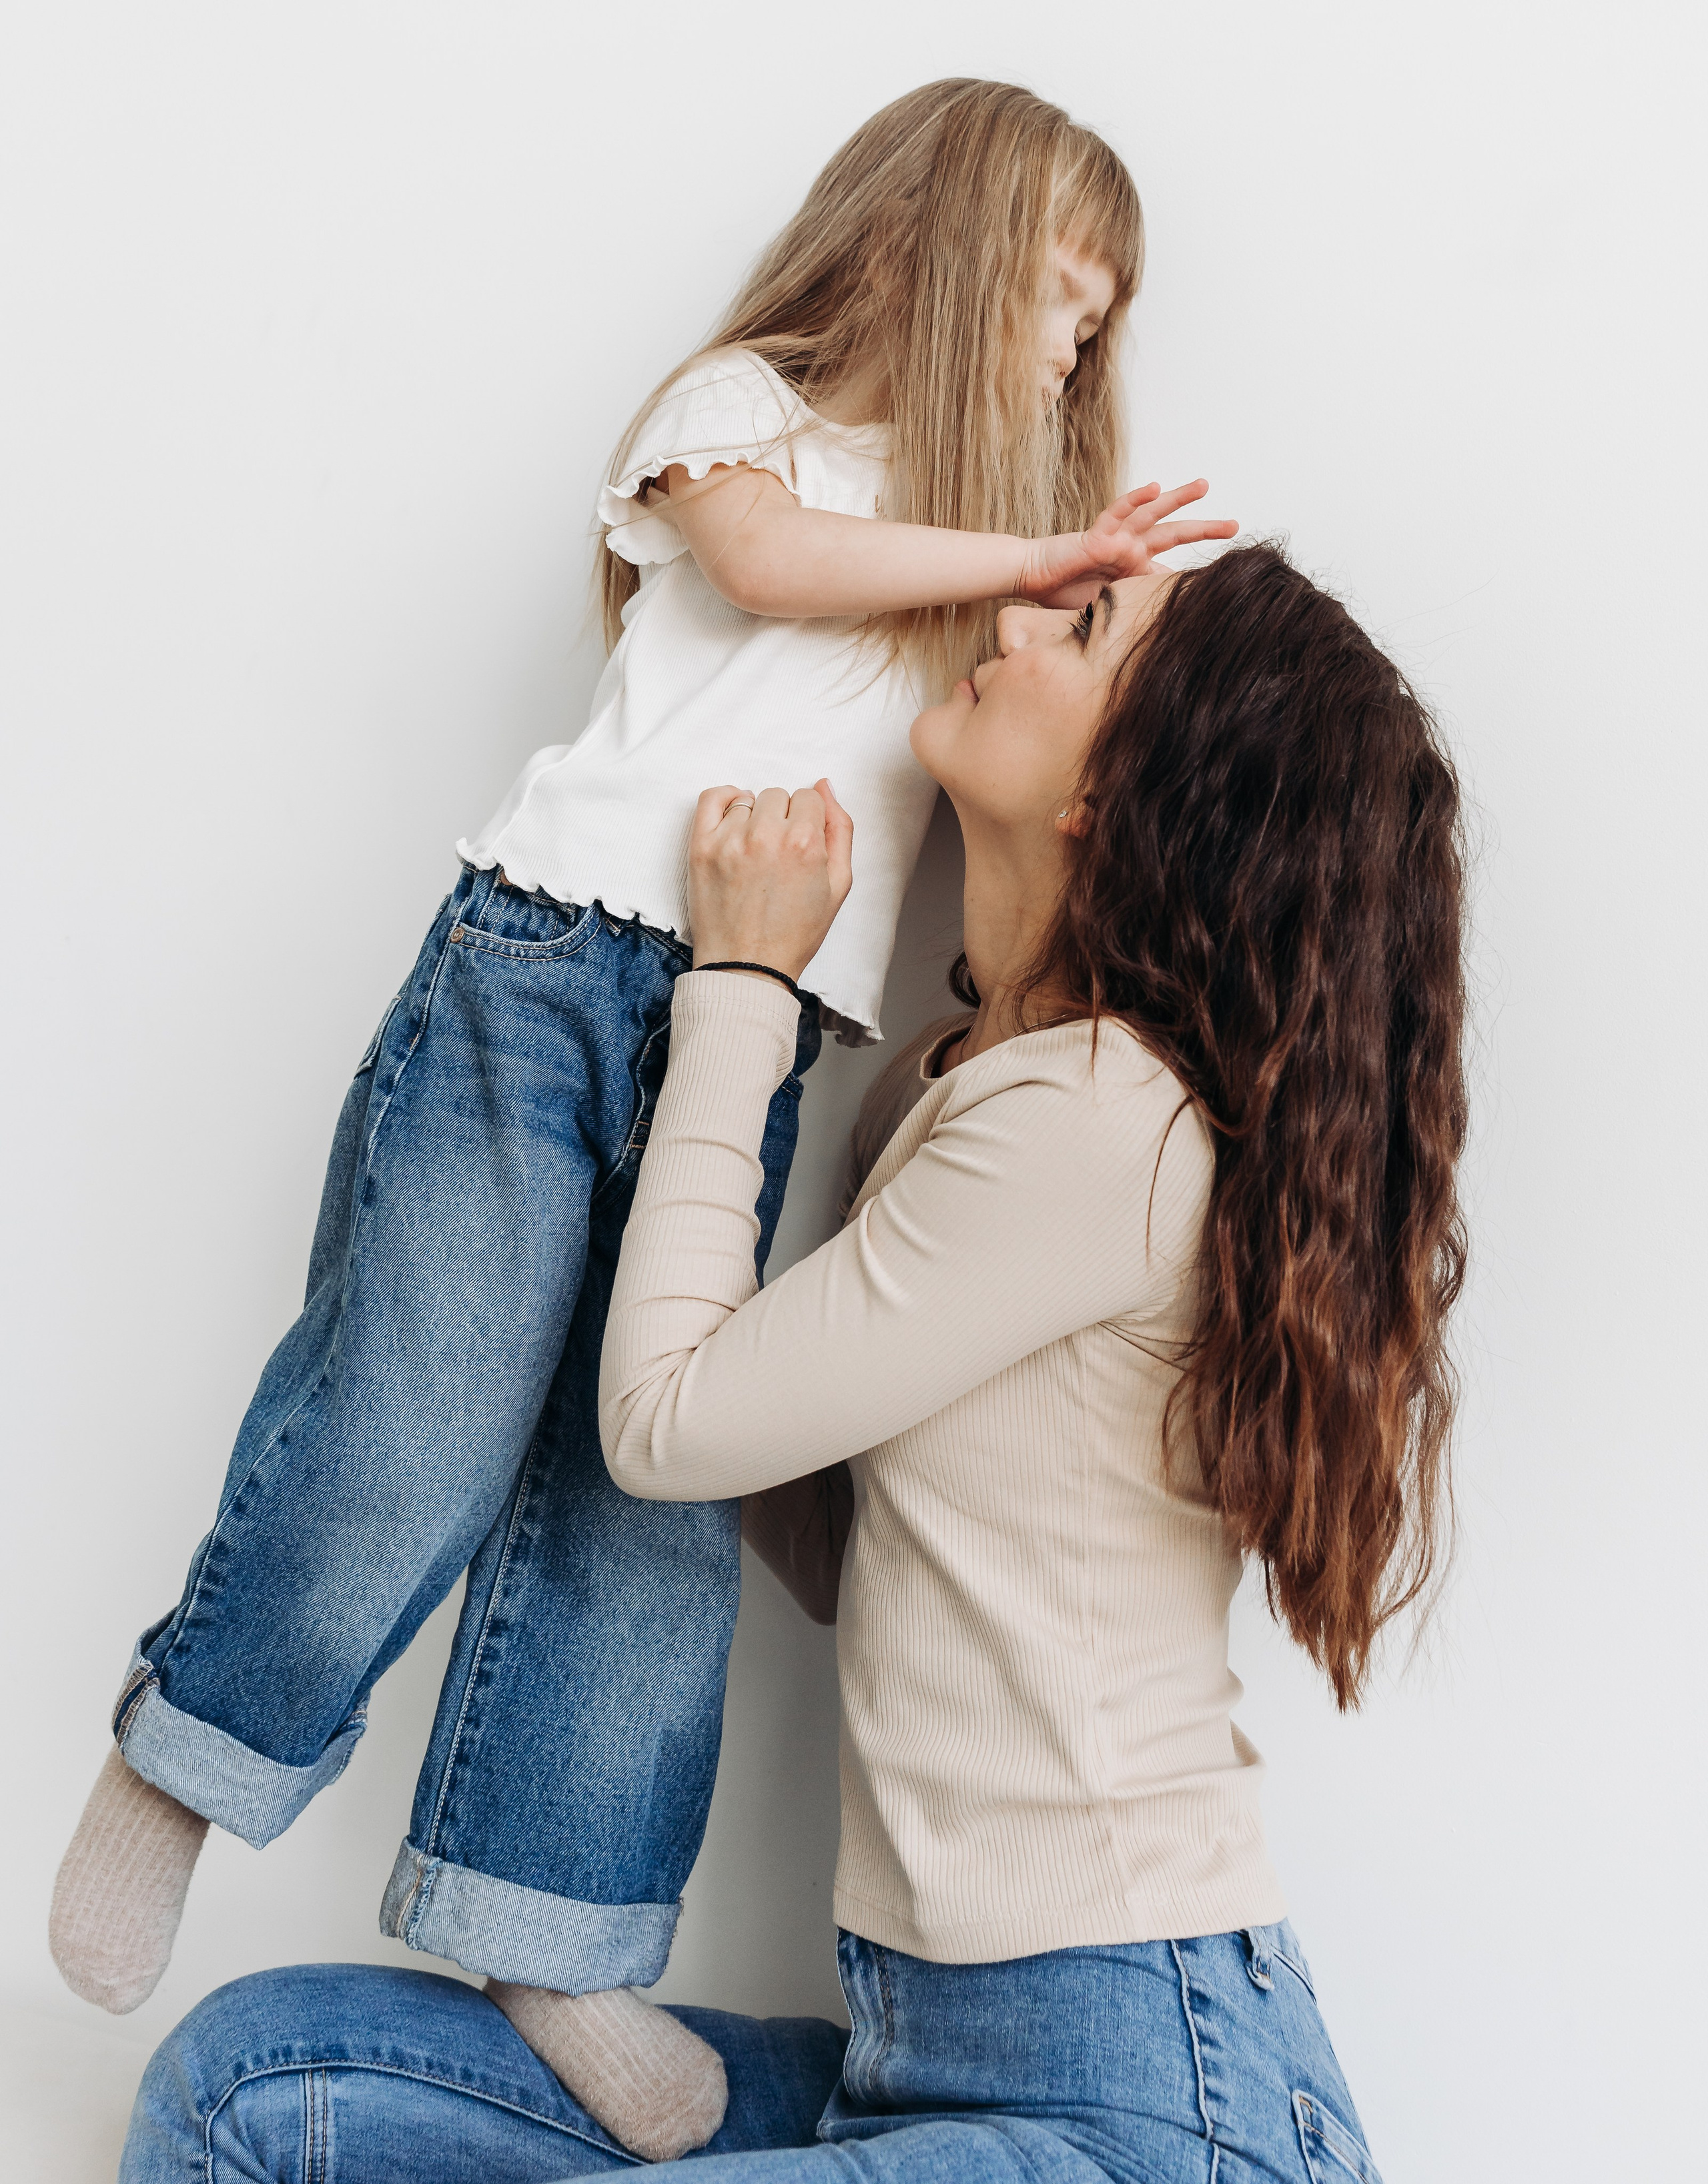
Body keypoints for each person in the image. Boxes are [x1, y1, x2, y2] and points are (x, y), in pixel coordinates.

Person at [46, 81, 1241, 2160]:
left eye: (1100, 328)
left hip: (742, 1040)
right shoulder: (746, 415)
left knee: (644, 1518)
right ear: (945, 242)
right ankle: (193, 1750)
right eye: (1061, 297)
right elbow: (771, 565)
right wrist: (1041, 550)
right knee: (414, 1399)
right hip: (547, 967)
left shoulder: (983, 581)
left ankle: (552, 1921)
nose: (1076, 351)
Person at [118, 540, 1468, 2183]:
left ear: (1118, 792)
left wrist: (742, 980)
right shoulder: (954, 1088)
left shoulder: (1103, 1117)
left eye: (1081, 624)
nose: (1014, 613)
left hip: (1141, 2101)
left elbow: (668, 1426)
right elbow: (819, 1533)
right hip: (910, 2061)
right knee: (244, 2092)